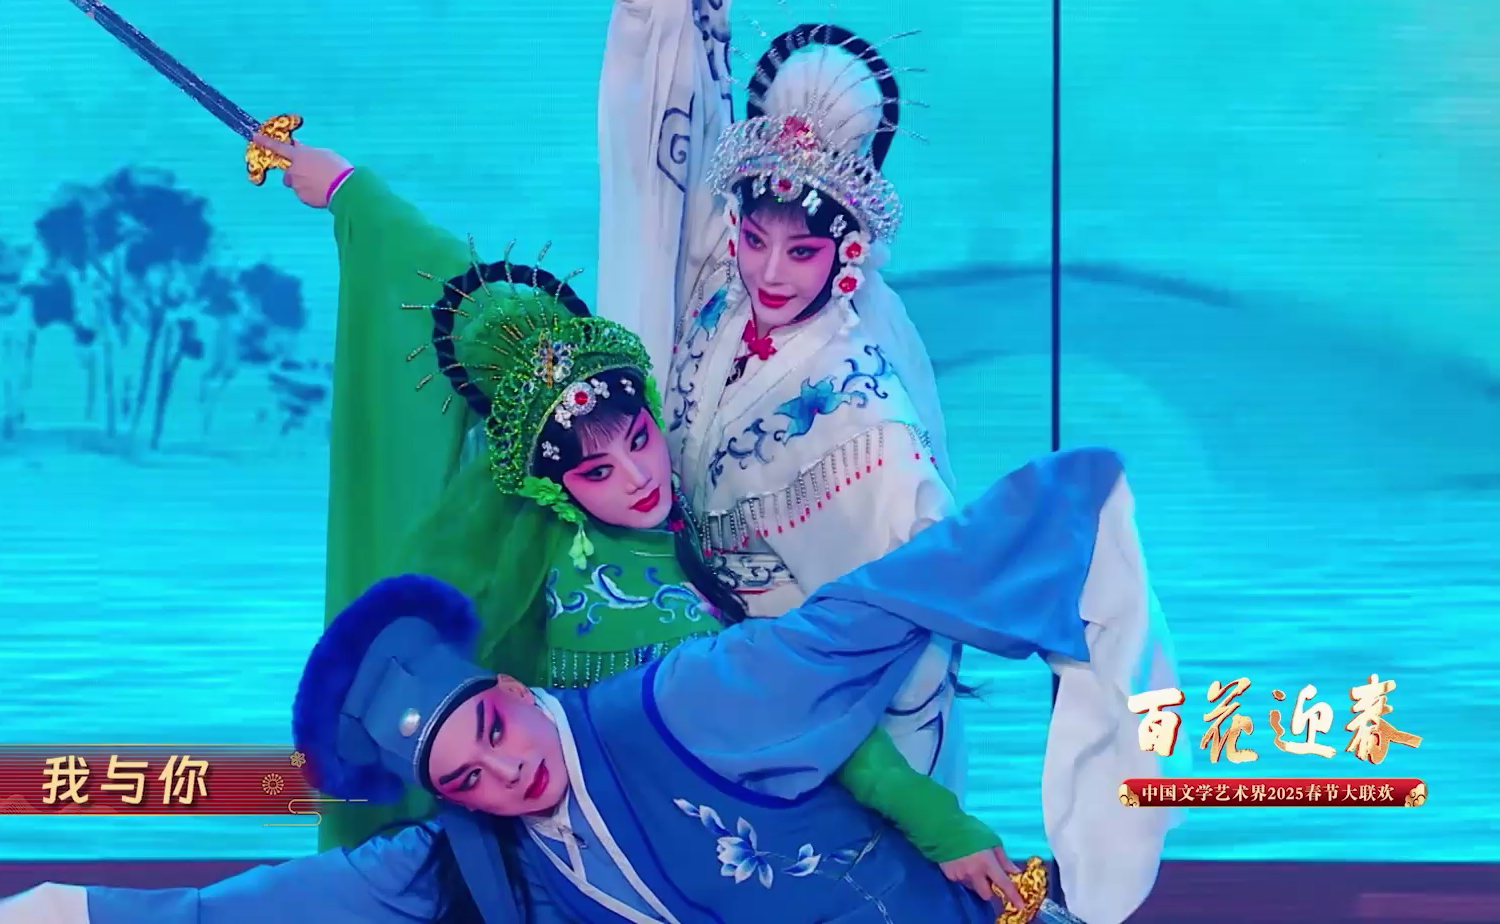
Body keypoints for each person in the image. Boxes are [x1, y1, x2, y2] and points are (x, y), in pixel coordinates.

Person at [595, 0, 1186, 923]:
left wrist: (901, 785)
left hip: (805, 718)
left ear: (848, 255)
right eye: (755, 239)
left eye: (802, 251)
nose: (770, 271)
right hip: (688, 666)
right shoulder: (720, 292)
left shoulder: (866, 420)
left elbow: (914, 621)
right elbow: (657, 171)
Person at [267, 136, 1023, 894]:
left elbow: (474, 294)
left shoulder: (837, 410)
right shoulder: (633, 603)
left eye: (639, 441)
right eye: (596, 472)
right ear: (553, 487)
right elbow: (789, 702)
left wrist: (350, 191)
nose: (637, 480)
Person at [0, 447, 1137, 924]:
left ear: (508, 685)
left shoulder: (679, 702)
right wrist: (87, 914)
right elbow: (287, 901)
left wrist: (1060, 519)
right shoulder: (488, 857)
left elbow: (852, 623)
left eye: (490, 727)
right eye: (466, 778)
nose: (506, 771)